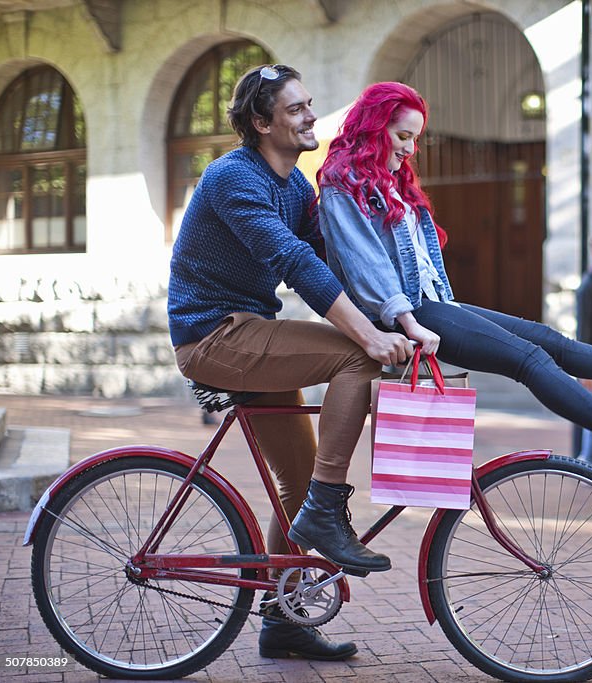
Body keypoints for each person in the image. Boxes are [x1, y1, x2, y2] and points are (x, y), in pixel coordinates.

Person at [315, 82, 592, 460]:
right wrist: (409, 324)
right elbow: (368, 265)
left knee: (546, 337)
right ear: (374, 126)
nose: (410, 148)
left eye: (415, 139)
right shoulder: (341, 185)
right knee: (528, 358)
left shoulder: (390, 182)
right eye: (402, 135)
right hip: (408, 316)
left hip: (430, 305)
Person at [167, 65, 413, 662]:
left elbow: (334, 257)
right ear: (261, 122)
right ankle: (329, 511)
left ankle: (281, 621)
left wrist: (404, 308)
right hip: (214, 335)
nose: (310, 117)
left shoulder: (297, 187)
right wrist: (370, 337)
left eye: (310, 104)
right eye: (296, 109)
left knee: (298, 490)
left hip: (254, 335)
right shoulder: (232, 178)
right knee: (356, 358)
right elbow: (296, 262)